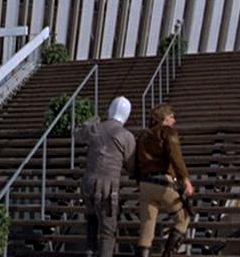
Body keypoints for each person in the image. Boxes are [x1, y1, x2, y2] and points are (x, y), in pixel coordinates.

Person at [74, 96, 136, 257]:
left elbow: (77, 134)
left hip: (88, 182)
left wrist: (91, 121)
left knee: (92, 222)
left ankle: (89, 252)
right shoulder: (126, 135)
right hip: (108, 186)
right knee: (108, 231)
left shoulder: (95, 128)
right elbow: (131, 166)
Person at [135, 104, 193, 257]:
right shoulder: (168, 132)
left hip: (145, 183)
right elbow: (176, 157)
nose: (174, 120)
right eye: (172, 116)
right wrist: (185, 180)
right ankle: (168, 254)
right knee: (183, 218)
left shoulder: (143, 135)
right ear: (164, 118)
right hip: (163, 182)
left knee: (147, 228)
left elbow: (136, 161)